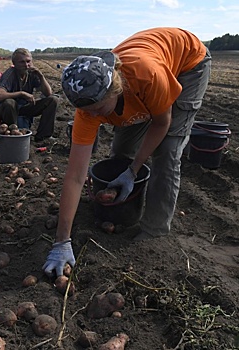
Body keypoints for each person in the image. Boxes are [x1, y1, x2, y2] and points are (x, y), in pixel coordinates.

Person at [43, 27, 211, 277]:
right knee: (121, 149)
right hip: (145, 83)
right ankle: (124, 205)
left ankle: (155, 229)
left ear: (116, 90)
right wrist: (61, 241)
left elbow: (161, 122)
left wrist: (133, 171)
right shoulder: (87, 109)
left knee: (166, 151)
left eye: (99, 109)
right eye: (88, 111)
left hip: (189, 62)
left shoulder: (146, 76)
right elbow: (76, 176)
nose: (94, 116)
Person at [0, 48, 58, 142]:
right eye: (22, 62)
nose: (26, 65)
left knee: (53, 100)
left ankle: (43, 136)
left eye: (28, 61)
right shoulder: (10, 74)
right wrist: (21, 93)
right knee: (9, 103)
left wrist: (41, 76)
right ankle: (13, 135)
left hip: (25, 107)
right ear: (14, 64)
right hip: (10, 110)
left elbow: (48, 93)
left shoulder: (32, 73)